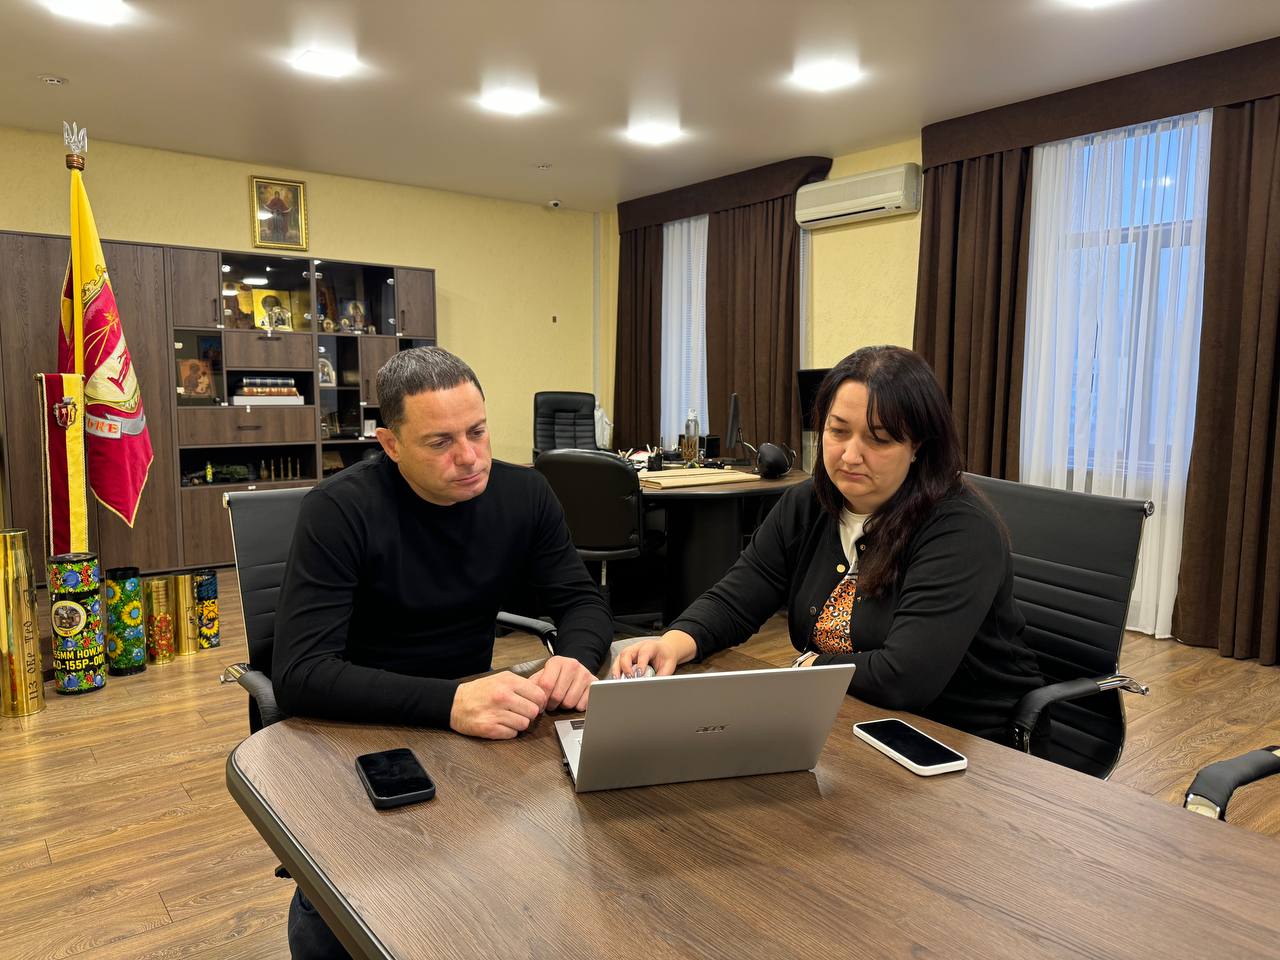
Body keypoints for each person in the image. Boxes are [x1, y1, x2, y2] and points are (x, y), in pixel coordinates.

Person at [273, 346, 612, 958]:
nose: (470, 458)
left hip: (473, 728)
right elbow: (301, 675)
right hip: (356, 727)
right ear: (390, 444)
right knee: (345, 905)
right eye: (440, 442)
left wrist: (577, 658)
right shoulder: (340, 510)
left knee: (541, 871)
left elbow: (581, 602)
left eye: (477, 432)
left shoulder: (525, 493)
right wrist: (451, 702)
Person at [615, 345, 1044, 745]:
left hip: (959, 742)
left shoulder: (960, 530)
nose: (850, 455)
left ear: (918, 447)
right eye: (838, 431)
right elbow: (737, 598)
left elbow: (906, 676)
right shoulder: (808, 504)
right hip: (847, 720)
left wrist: (810, 667)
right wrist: (673, 641)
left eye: (878, 439)